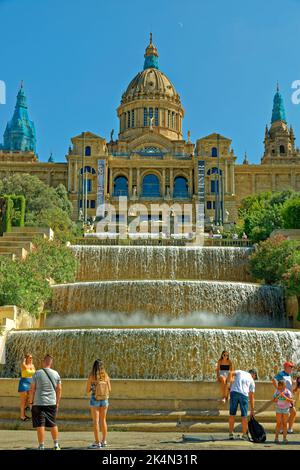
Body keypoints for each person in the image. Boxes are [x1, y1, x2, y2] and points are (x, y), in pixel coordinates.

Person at [29, 354, 62, 450]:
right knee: (53, 423)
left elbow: (32, 389)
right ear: (51, 362)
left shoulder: (37, 373)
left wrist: (30, 402)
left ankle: (41, 446)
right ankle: (56, 445)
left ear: (43, 362)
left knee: (40, 425)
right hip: (51, 402)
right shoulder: (56, 374)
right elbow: (59, 389)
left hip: (38, 402)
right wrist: (57, 402)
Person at [86, 359, 111, 449]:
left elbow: (87, 390)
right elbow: (110, 389)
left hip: (95, 399)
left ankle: (97, 442)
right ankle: (104, 441)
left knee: (95, 421)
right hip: (104, 399)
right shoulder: (106, 376)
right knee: (103, 420)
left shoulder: (92, 376)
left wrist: (94, 387)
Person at [227, 369, 257, 440]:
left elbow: (230, 372)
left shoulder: (240, 371)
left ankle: (230, 434)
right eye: (255, 377)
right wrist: (252, 410)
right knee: (244, 416)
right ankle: (244, 435)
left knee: (232, 414)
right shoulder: (252, 381)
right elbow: (251, 397)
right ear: (254, 375)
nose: (255, 379)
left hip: (234, 392)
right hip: (244, 395)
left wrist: (230, 382)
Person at [272, 361, 296, 434]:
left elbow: (291, 383)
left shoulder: (288, 374)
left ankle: (288, 429)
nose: (292, 368)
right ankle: (286, 429)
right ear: (286, 367)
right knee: (291, 412)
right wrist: (279, 389)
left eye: (292, 367)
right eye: (290, 367)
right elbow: (274, 380)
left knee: (292, 413)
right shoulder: (281, 374)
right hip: (284, 397)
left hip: (288, 396)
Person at [273, 379, 294, 444]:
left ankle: (284, 438)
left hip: (286, 409)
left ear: (284, 386)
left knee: (285, 423)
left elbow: (291, 400)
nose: (281, 388)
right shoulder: (276, 391)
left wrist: (284, 396)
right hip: (278, 408)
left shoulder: (288, 392)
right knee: (278, 423)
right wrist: (279, 395)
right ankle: (276, 438)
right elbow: (274, 400)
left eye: (282, 386)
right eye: (280, 386)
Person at [18, 353, 35, 421]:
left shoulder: (33, 365)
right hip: (24, 382)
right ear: (26, 358)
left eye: (32, 357)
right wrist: (24, 360)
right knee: (23, 400)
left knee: (29, 398)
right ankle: (22, 416)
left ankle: (26, 409)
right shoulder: (23, 365)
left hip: (31, 382)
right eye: (30, 357)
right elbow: (26, 368)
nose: (31, 359)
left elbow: (35, 374)